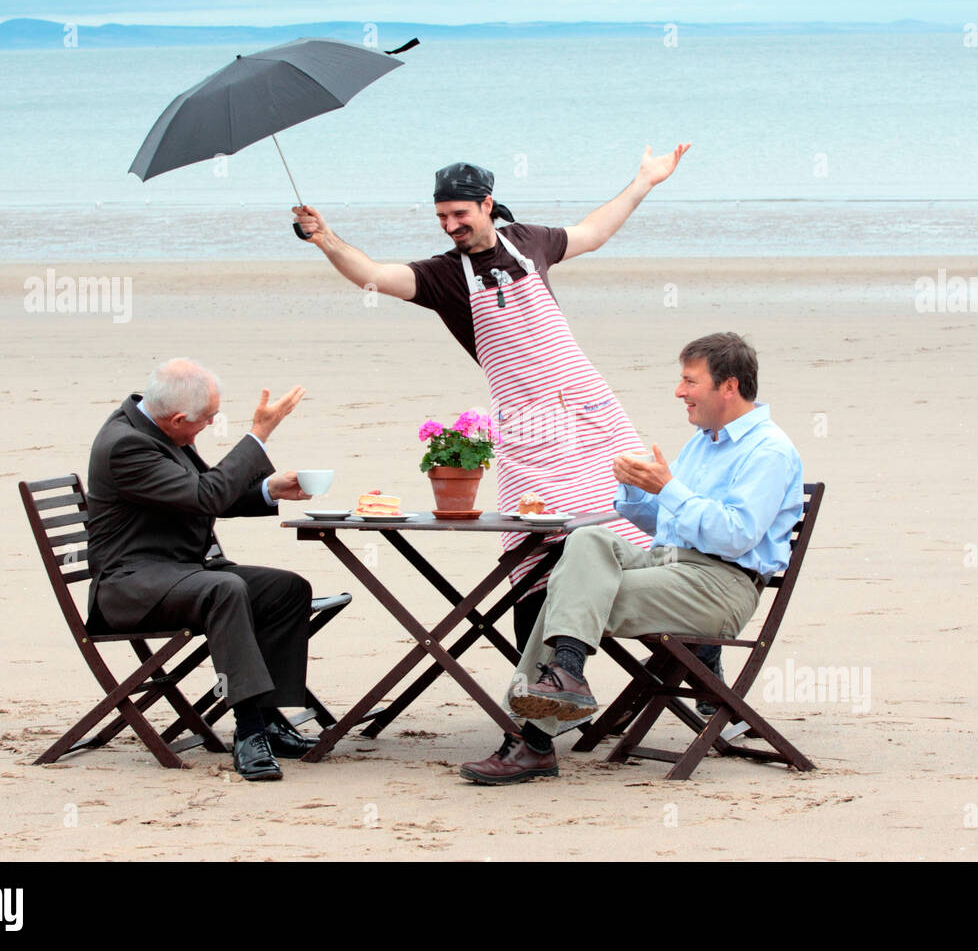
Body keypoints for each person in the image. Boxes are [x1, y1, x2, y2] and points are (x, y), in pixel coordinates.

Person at [291, 146, 690, 648]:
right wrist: (326, 239)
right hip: (528, 436)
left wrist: (644, 181)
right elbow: (374, 275)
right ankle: (534, 698)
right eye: (441, 217)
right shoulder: (441, 276)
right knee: (534, 554)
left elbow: (594, 231)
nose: (450, 225)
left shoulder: (531, 242)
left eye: (459, 213)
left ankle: (689, 663)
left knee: (641, 531)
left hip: (592, 419)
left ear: (486, 204)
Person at [458, 332, 805, 785]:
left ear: (729, 386)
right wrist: (634, 487)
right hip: (672, 564)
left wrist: (670, 488)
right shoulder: (704, 441)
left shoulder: (769, 450)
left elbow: (734, 536)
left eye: (689, 381)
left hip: (722, 586)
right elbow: (666, 525)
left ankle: (533, 741)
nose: (679, 392)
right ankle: (566, 675)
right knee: (587, 541)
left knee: (569, 592)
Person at [85, 358, 316, 781]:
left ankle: (267, 718)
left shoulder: (159, 428)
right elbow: (206, 496)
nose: (209, 426)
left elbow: (206, 493)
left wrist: (267, 490)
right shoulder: (125, 444)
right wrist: (260, 433)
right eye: (207, 419)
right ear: (176, 417)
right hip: (130, 585)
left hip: (181, 571)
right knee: (224, 589)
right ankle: (248, 733)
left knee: (286, 589)